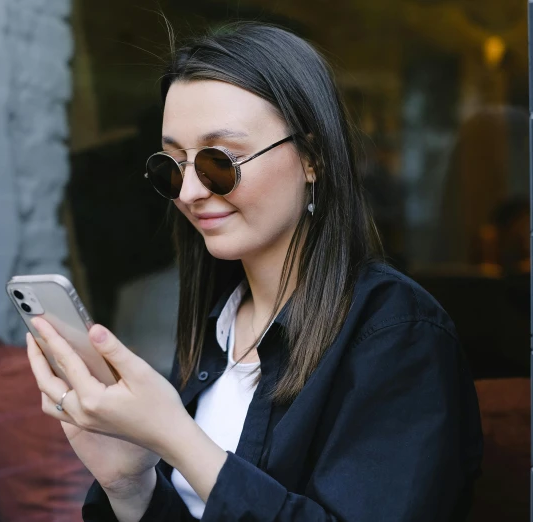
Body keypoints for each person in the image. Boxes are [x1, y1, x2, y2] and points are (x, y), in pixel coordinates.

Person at [25, 22, 483, 522]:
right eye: (172, 165)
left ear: (312, 158)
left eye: (221, 162)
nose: (188, 192)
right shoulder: (214, 327)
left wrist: (177, 437)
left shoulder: (398, 334)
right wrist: (129, 484)